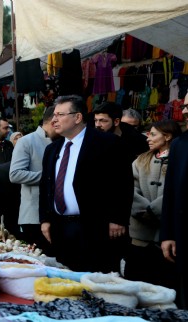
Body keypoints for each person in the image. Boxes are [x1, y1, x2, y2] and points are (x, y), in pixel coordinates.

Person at [39, 95, 133, 273]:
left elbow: (122, 183)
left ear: (78, 117)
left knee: (98, 280)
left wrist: (118, 219)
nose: (54, 120)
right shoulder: (52, 149)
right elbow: (46, 187)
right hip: (62, 226)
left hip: (96, 227)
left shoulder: (107, 143)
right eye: (53, 115)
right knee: (67, 279)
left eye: (60, 114)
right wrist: (44, 219)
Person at [124, 120, 181, 290]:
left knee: (164, 287)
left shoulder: (179, 160)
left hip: (167, 239)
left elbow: (176, 192)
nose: (148, 138)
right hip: (140, 236)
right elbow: (129, 189)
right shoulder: (140, 161)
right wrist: (144, 210)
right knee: (136, 284)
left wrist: (155, 210)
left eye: (153, 134)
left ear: (168, 136)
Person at [10, 106, 58, 252]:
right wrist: (49, 178)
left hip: (58, 214)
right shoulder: (27, 141)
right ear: (53, 121)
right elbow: (15, 174)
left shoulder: (63, 141)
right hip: (33, 214)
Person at [161, 95, 188, 309]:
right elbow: (170, 192)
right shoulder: (180, 144)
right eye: (185, 106)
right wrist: (167, 234)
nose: (185, 112)